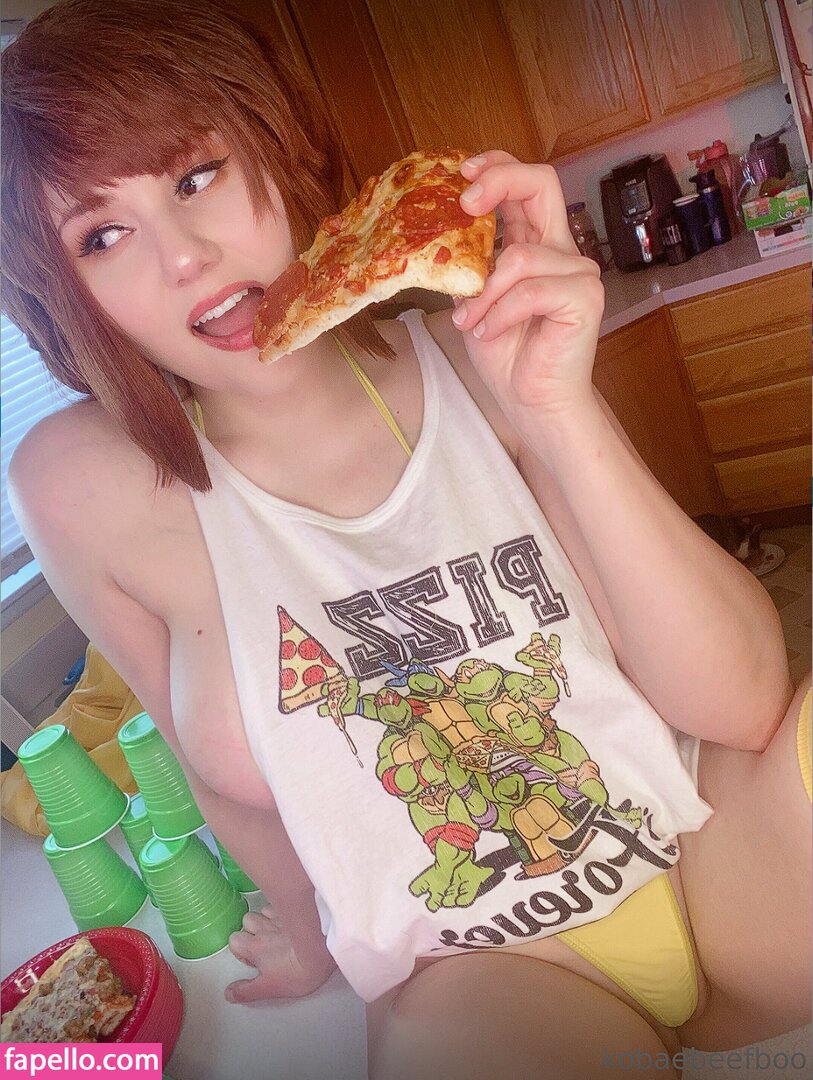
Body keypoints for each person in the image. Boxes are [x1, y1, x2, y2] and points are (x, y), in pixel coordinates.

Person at [2, 2, 810, 1076]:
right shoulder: (83, 489)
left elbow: (744, 706)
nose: (186, 256)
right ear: (66, 298)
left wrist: (558, 411)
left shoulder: (479, 348)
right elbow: (222, 776)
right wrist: (307, 936)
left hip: (713, 855)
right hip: (478, 974)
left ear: (276, 150)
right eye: (101, 236)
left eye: (195, 175)